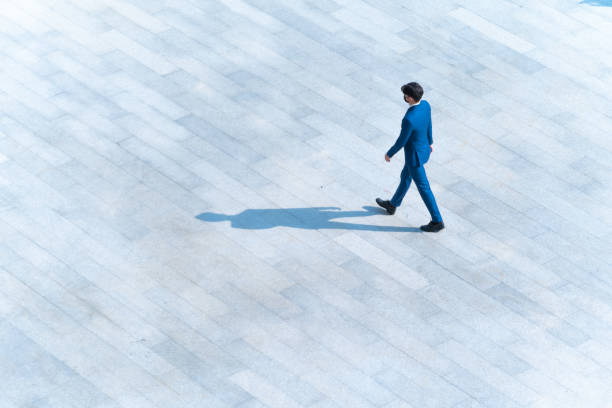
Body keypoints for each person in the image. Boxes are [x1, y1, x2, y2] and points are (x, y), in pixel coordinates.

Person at [376, 82, 444, 232]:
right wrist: (430, 142)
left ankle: (437, 220)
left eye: (405, 95)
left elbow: (402, 140)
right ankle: (393, 204)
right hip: (423, 150)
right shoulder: (426, 105)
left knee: (424, 188)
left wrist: (390, 153)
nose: (404, 97)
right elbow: (429, 125)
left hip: (414, 157)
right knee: (405, 177)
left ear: (410, 98)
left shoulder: (409, 118)